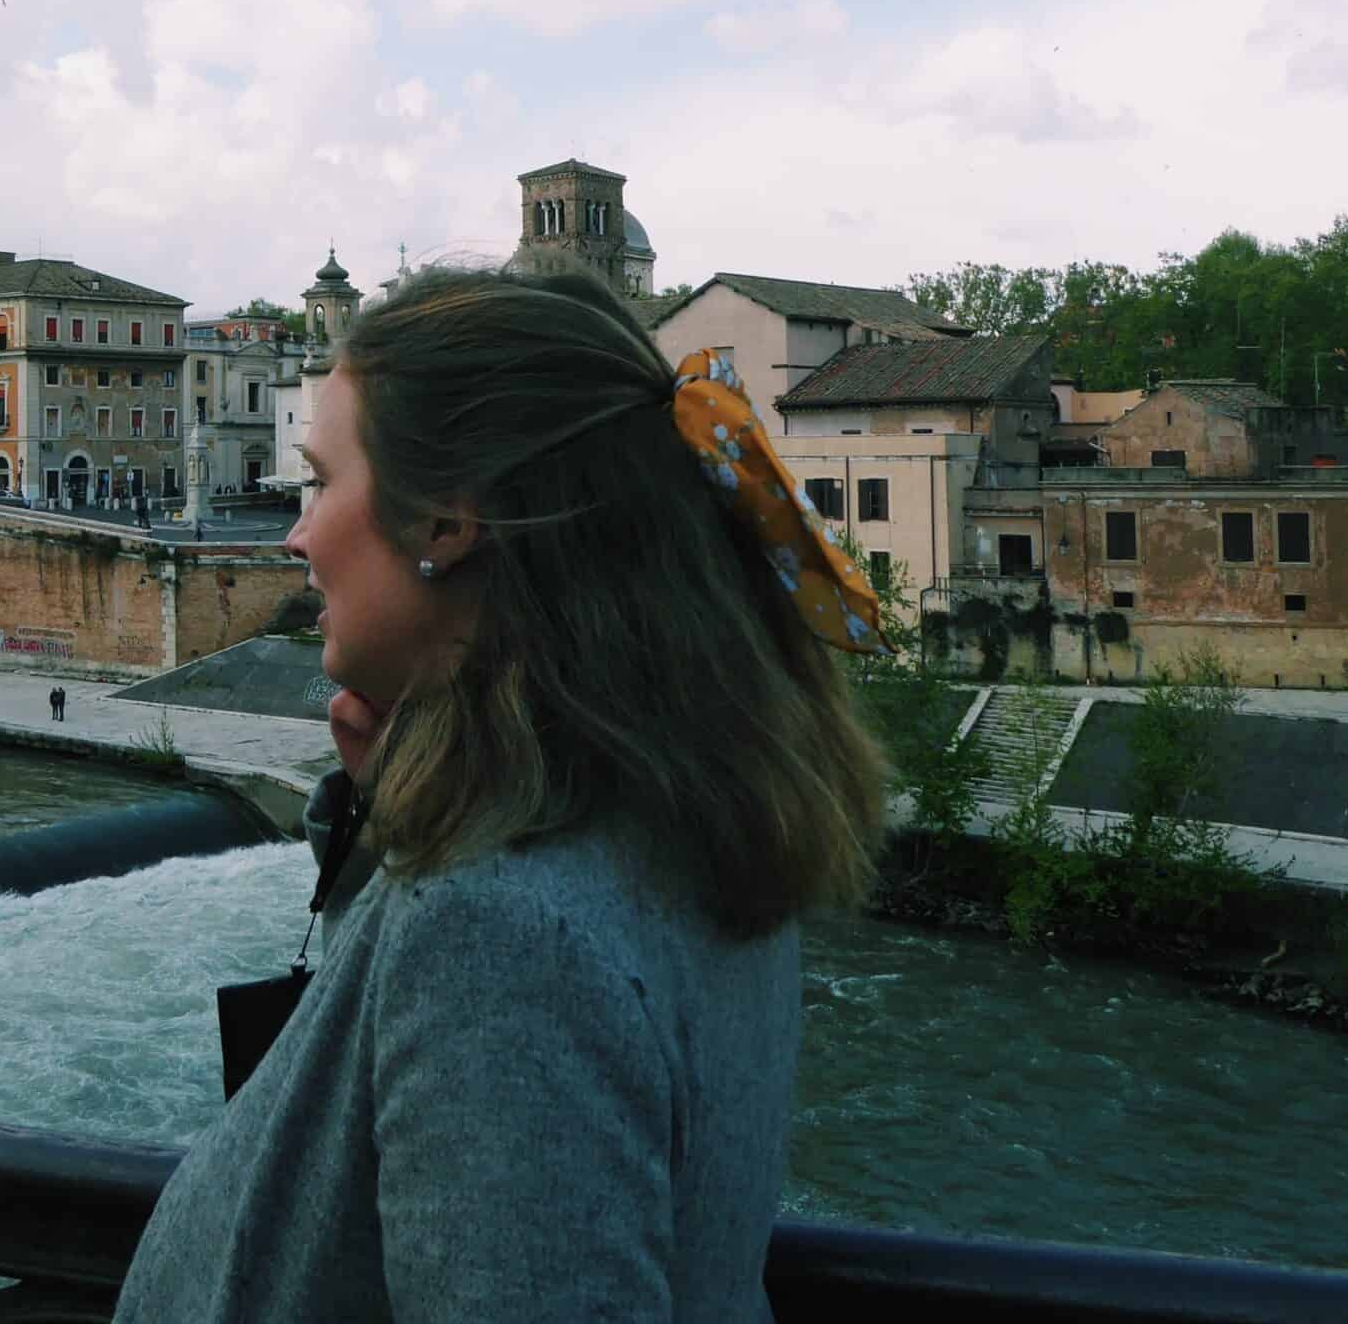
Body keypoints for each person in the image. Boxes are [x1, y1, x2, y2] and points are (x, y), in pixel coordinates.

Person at [113, 267, 889, 1322]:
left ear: (444, 521)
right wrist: (395, 825)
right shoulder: (684, 817)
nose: (294, 535)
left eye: (321, 479)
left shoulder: (504, 931)